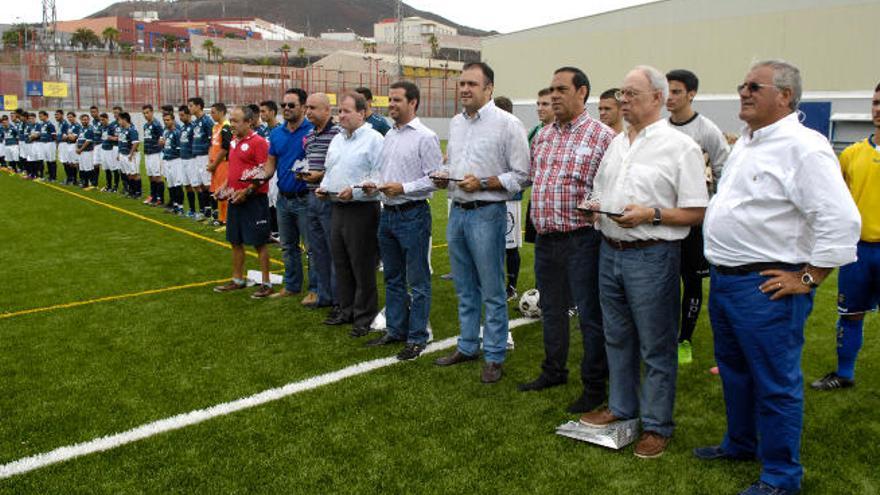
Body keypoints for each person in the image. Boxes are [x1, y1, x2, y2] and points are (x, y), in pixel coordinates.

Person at [696, 60, 861, 495]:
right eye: (742, 85)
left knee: (775, 382)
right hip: (727, 281)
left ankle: (782, 475)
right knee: (734, 372)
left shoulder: (802, 146)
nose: (743, 92)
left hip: (765, 288)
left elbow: (841, 219)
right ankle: (741, 443)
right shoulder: (750, 143)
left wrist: (808, 279)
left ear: (785, 95)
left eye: (755, 86)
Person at [578, 65, 708, 459]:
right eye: (621, 95)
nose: (623, 101)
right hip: (610, 250)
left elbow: (695, 211)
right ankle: (622, 408)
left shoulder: (679, 146)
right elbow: (601, 190)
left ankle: (656, 425)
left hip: (652, 255)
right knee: (616, 337)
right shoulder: (618, 143)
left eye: (631, 94)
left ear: (658, 98)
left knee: (656, 345)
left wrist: (650, 214)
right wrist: (595, 209)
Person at [519, 67, 615, 414]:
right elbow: (532, 178)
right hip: (546, 240)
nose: (554, 95)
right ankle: (553, 371)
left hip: (582, 241)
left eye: (562, 89)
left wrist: (597, 204)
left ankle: (594, 386)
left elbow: (612, 189)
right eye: (551, 89)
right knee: (553, 311)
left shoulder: (603, 137)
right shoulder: (544, 135)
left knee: (590, 316)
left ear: (582, 92)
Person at [432, 62, 530, 384]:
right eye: (462, 83)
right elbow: (456, 165)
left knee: (492, 289)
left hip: (487, 214)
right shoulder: (457, 123)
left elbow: (522, 176)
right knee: (464, 287)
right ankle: (468, 345)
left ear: (489, 88)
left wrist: (486, 183)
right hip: (457, 210)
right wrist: (444, 176)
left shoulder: (508, 124)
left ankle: (495, 354)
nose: (464, 89)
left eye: (472, 84)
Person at [362, 81, 441, 360]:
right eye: (390, 100)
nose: (391, 105)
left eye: (397, 100)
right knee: (393, 278)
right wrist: (376, 184)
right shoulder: (390, 136)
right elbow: (386, 173)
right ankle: (396, 329)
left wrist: (403, 188)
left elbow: (435, 180)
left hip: (413, 214)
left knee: (418, 281)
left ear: (413, 103)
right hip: (389, 215)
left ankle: (417, 336)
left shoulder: (426, 136)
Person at [811, 81, 880, 391]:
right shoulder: (852, 154)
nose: (878, 109)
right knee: (851, 314)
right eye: (876, 102)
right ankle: (844, 373)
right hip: (858, 252)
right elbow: (835, 201)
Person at [665, 69, 731, 365]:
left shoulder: (707, 130)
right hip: (663, 219)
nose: (670, 97)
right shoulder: (659, 128)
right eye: (667, 90)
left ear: (691, 94)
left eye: (676, 91)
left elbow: (725, 171)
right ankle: (661, 334)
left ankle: (685, 339)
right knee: (662, 281)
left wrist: (710, 208)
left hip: (693, 223)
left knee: (691, 280)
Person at [315, 92, 384, 337]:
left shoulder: (375, 139)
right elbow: (330, 169)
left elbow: (379, 177)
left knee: (362, 264)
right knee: (341, 261)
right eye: (339, 111)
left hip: (361, 209)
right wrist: (324, 186)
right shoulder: (338, 139)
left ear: (362, 113)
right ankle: (346, 310)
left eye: (345, 111)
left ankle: (364, 316)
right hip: (336, 206)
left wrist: (354, 192)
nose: (340, 115)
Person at [213, 106, 275, 299]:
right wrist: (224, 187)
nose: (232, 124)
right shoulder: (233, 141)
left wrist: (246, 192)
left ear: (249, 122)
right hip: (234, 199)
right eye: (231, 120)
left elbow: (263, 172)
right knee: (235, 240)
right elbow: (233, 169)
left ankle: (266, 283)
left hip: (254, 200)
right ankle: (237, 279)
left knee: (259, 242)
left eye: (236, 121)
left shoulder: (259, 143)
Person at [266, 88, 315, 299]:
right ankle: (292, 286)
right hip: (283, 199)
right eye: (283, 105)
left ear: (303, 107)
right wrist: (256, 177)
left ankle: (315, 289)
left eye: (291, 105)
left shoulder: (313, 131)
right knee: (287, 247)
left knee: (312, 249)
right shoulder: (276, 133)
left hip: (306, 198)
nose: (286, 108)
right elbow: (270, 165)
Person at [302, 93, 342, 312]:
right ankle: (324, 295)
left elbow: (338, 166)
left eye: (313, 108)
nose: (308, 111)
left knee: (332, 249)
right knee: (317, 250)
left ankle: (337, 298)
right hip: (311, 197)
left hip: (328, 199)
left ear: (327, 110)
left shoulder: (338, 134)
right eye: (307, 107)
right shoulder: (310, 135)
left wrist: (321, 175)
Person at [493, 95, 524, 301]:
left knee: (509, 244)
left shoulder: (513, 133)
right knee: (494, 244)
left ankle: (511, 287)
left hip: (510, 199)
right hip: (492, 198)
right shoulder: (493, 134)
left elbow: (521, 171)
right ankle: (496, 284)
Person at [525, 87, 554, 245]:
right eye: (538, 104)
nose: (539, 108)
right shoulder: (535, 132)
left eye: (545, 104)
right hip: (537, 198)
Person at [189, 97, 215, 221]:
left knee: (208, 184)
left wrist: (210, 157)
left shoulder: (207, 121)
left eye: (191, 105)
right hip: (196, 156)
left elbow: (212, 141)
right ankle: (206, 210)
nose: (190, 108)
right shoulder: (195, 122)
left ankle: (213, 212)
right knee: (200, 184)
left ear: (199, 106)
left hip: (204, 156)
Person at [208, 102, 233, 226]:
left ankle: (227, 219)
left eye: (213, 112)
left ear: (222, 112)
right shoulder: (215, 127)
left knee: (224, 191)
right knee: (217, 191)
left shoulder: (226, 127)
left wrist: (215, 163)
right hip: (215, 164)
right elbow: (213, 145)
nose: (211, 115)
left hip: (223, 163)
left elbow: (225, 148)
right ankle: (221, 218)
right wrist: (210, 162)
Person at [160, 112, 184, 214]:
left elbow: (179, 149)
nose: (166, 122)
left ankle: (180, 207)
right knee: (170, 184)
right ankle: (174, 206)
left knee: (178, 184)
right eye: (164, 120)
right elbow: (165, 147)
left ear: (173, 120)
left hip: (176, 160)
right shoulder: (166, 132)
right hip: (167, 160)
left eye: (168, 120)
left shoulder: (177, 133)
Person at [141, 104, 165, 205]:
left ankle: (160, 198)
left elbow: (162, 138)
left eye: (147, 112)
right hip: (147, 153)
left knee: (157, 176)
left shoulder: (157, 124)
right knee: (150, 176)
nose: (146, 115)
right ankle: (153, 196)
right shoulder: (145, 125)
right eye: (144, 113)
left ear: (152, 112)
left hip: (156, 153)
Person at [178, 105, 198, 217]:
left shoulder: (194, 127)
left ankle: (203, 211)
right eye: (179, 115)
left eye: (182, 115)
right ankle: (192, 209)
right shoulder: (182, 128)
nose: (180, 118)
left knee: (196, 185)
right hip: (183, 159)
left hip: (191, 159)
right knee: (187, 185)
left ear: (189, 114)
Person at [116, 112, 140, 197]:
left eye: (119, 120)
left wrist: (130, 154)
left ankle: (137, 192)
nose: (118, 122)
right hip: (123, 154)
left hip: (131, 155)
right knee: (128, 174)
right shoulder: (122, 130)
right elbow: (120, 142)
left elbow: (136, 143)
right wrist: (119, 153)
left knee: (134, 174)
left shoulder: (132, 129)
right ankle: (131, 191)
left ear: (124, 120)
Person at [75, 114, 97, 189]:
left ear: (88, 120)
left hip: (87, 151)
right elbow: (78, 139)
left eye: (86, 119)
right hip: (80, 152)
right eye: (83, 119)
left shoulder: (90, 129)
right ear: (80, 120)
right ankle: (84, 182)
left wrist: (80, 149)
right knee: (82, 167)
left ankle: (90, 183)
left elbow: (88, 141)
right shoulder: (81, 129)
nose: (84, 121)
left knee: (88, 167)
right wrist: (77, 148)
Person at [37, 111, 58, 182]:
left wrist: (55, 145)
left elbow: (54, 135)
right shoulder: (41, 124)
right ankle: (50, 175)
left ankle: (53, 177)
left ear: (46, 116)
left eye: (41, 116)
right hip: (43, 144)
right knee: (47, 160)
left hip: (50, 143)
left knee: (51, 160)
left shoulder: (50, 125)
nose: (40, 117)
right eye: (39, 116)